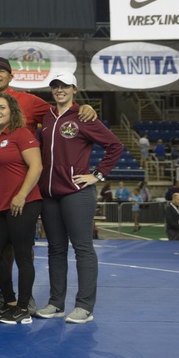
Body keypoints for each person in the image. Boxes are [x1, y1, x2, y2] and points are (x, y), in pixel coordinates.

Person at [36, 73, 123, 325]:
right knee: (55, 249)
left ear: (74, 89)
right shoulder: (46, 116)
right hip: (50, 194)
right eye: (55, 86)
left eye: (64, 86)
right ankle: (56, 303)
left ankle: (84, 306)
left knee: (83, 248)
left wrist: (97, 175)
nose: (59, 90)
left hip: (76, 193)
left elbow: (115, 146)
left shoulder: (83, 116)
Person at [0, 92, 42, 325]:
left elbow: (36, 166)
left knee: (23, 255)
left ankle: (24, 308)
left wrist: (22, 195)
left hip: (24, 203)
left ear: (12, 111)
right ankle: (10, 301)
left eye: (2, 107)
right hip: (0, 205)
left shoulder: (21, 134)